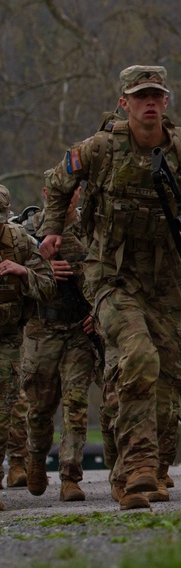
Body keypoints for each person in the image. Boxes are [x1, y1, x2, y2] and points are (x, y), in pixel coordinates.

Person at [37, 65, 181, 509]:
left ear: (166, 102)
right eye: (140, 96)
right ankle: (137, 467)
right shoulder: (102, 148)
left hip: (167, 282)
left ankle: (151, 470)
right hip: (112, 277)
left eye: (156, 95)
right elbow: (56, 182)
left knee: (168, 377)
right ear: (124, 103)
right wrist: (51, 230)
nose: (149, 103)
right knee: (138, 357)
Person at [21, 181, 100, 500]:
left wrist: (99, 311)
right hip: (42, 330)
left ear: (79, 194)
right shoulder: (28, 231)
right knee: (40, 408)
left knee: (76, 403)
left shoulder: (91, 230)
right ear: (45, 194)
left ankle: (70, 475)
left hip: (80, 331)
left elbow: (110, 272)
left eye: (73, 193)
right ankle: (37, 458)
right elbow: (13, 276)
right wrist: (43, 268)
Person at [0, 184, 56, 507]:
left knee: (4, 412)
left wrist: (24, 274)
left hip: (7, 338)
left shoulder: (19, 240)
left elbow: (48, 285)